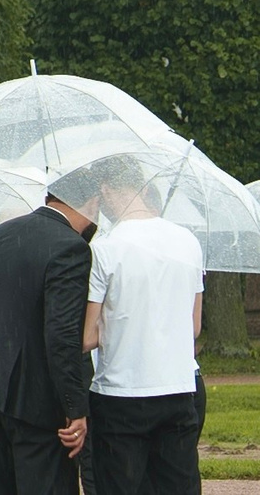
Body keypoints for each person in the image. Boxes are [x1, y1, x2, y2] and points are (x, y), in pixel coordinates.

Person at [0, 194, 94, 495]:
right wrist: (75, 407)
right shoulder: (70, 247)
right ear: (91, 201)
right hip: (35, 396)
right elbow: (62, 334)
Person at [83, 172, 203, 495]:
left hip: (121, 392)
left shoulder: (104, 248)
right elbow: (194, 326)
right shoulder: (189, 242)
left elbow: (87, 336)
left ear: (107, 189)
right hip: (177, 388)